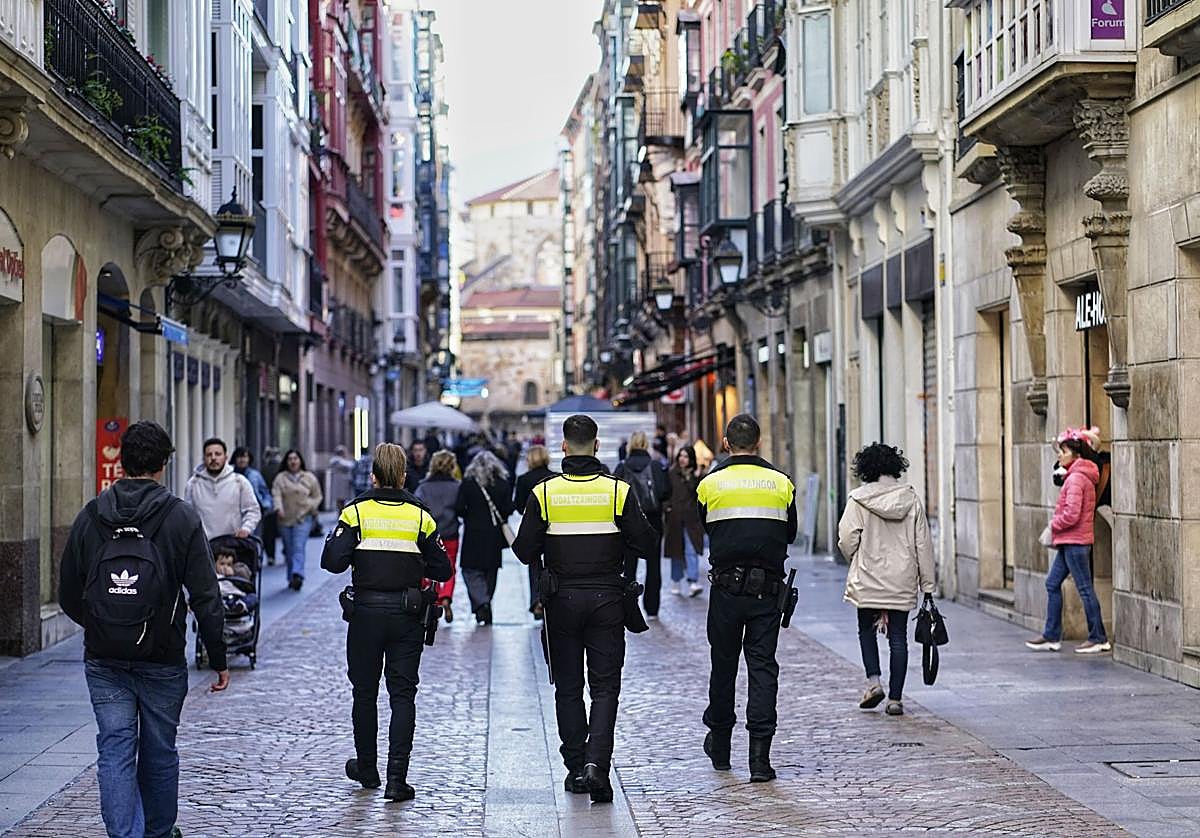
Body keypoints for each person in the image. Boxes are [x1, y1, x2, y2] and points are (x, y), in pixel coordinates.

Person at [59, 420, 229, 838]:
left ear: (122, 462)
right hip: (162, 656)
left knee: (115, 747)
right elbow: (206, 595)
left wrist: (104, 625)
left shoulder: (91, 515)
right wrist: (219, 657)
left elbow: (67, 592)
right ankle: (158, 832)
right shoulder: (180, 517)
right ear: (163, 464)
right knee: (159, 750)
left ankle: (124, 835)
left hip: (105, 660)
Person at [512, 414, 658, 803]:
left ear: (563, 446)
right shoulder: (618, 491)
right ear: (596, 446)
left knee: (568, 686)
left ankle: (576, 767)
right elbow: (647, 543)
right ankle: (597, 765)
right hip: (607, 599)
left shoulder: (544, 493)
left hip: (561, 601)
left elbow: (524, 550)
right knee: (606, 686)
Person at [320, 443, 452, 802]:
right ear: (404, 477)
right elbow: (443, 568)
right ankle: (397, 779)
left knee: (364, 692)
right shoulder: (420, 516)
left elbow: (332, 561)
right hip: (407, 615)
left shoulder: (356, 512)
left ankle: (367, 768)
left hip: (365, 615)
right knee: (402, 695)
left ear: (373, 476)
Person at [696, 414, 797, 783]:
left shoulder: (709, 483)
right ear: (759, 442)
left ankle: (721, 748)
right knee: (763, 667)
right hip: (767, 591)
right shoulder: (782, 483)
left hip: (725, 590)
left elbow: (706, 526)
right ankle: (760, 760)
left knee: (723, 666)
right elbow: (790, 533)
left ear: (726, 444)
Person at [837, 443, 935, 717]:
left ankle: (874, 683)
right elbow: (923, 544)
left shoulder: (858, 500)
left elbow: (846, 539)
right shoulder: (911, 499)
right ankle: (895, 699)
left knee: (866, 631)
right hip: (902, 578)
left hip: (868, 576)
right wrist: (927, 585)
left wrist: (856, 558)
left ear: (866, 469)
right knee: (898, 638)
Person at [1026, 427, 1110, 654]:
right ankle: (1051, 635)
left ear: (1077, 455)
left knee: (1085, 589)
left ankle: (1098, 637)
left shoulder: (1076, 479)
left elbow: (1072, 514)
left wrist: (1054, 524)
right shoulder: (1077, 476)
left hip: (1075, 542)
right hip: (1070, 541)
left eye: (1063, 452)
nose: (1060, 455)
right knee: (1052, 583)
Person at [454, 450, 514, 625]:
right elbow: (508, 508)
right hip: (494, 534)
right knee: (491, 572)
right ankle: (485, 602)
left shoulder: (468, 483)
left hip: (473, 533)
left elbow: (459, 508)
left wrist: (470, 515)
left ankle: (482, 602)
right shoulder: (502, 483)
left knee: (470, 570)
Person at [614, 431, 670, 619]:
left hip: (628, 523)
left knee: (629, 566)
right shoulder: (655, 466)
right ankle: (652, 608)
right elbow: (664, 491)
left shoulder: (622, 467)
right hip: (653, 521)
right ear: (646, 444)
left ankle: (629, 606)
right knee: (654, 566)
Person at [414, 450, 461, 623]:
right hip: (450, 532)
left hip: (429, 534)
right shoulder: (457, 487)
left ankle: (434, 597)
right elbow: (462, 508)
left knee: (427, 566)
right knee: (450, 566)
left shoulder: (423, 487)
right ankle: (446, 596)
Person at [183, 438, 261, 540]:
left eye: (218, 454)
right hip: (202, 545)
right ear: (204, 458)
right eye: (209, 455)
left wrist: (246, 529)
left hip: (232, 544)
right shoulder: (193, 484)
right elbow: (187, 517)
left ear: (226, 457)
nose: (213, 458)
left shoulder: (239, 482)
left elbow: (253, 510)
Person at [512, 445, 556, 619]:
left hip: (532, 527)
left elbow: (518, 506)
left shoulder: (523, 479)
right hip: (552, 526)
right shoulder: (554, 477)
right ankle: (551, 597)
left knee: (534, 564)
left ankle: (537, 599)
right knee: (554, 563)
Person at [272, 450, 323, 591]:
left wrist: (311, 506)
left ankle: (298, 574)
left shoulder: (309, 478)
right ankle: (291, 577)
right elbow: (276, 494)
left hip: (303, 518)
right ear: (286, 462)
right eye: (290, 459)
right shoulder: (280, 478)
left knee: (298, 547)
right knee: (289, 550)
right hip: (285, 519)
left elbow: (317, 496)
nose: (293, 461)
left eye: (295, 458)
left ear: (300, 461)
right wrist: (278, 508)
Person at [664, 445, 705, 597]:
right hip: (675, 518)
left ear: (691, 459)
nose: (682, 459)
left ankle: (693, 581)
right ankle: (676, 580)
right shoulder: (671, 473)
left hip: (691, 519)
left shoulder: (696, 475)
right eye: (681, 456)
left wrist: (695, 477)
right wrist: (667, 508)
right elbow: (666, 493)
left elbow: (699, 495)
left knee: (691, 549)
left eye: (686, 456)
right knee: (676, 551)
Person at [232, 446, 272, 539]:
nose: (242, 460)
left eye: (245, 457)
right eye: (240, 457)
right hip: (235, 513)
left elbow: (264, 491)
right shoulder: (230, 475)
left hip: (254, 511)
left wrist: (266, 505)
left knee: (254, 539)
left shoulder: (255, 475)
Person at [260, 447, 283, 565]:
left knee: (269, 532)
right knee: (284, 530)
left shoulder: (263, 469)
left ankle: (271, 556)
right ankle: (287, 551)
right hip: (281, 503)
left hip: (268, 504)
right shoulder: (282, 470)